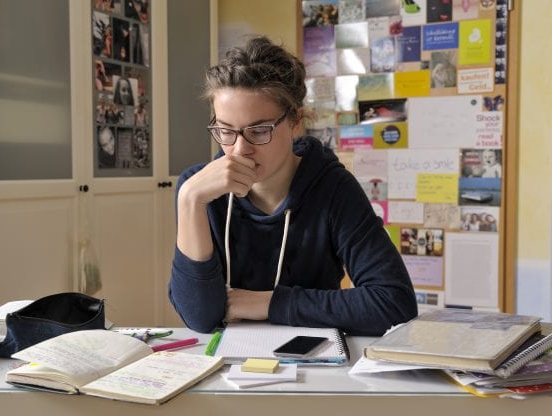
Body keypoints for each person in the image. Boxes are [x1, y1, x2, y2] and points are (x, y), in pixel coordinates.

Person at [168, 36, 417, 336]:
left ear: (296, 120)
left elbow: (394, 303)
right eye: (225, 131)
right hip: (224, 366)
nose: (239, 150)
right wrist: (188, 200)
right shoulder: (199, 191)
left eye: (259, 130)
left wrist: (271, 303)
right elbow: (200, 317)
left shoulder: (333, 188)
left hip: (315, 365)